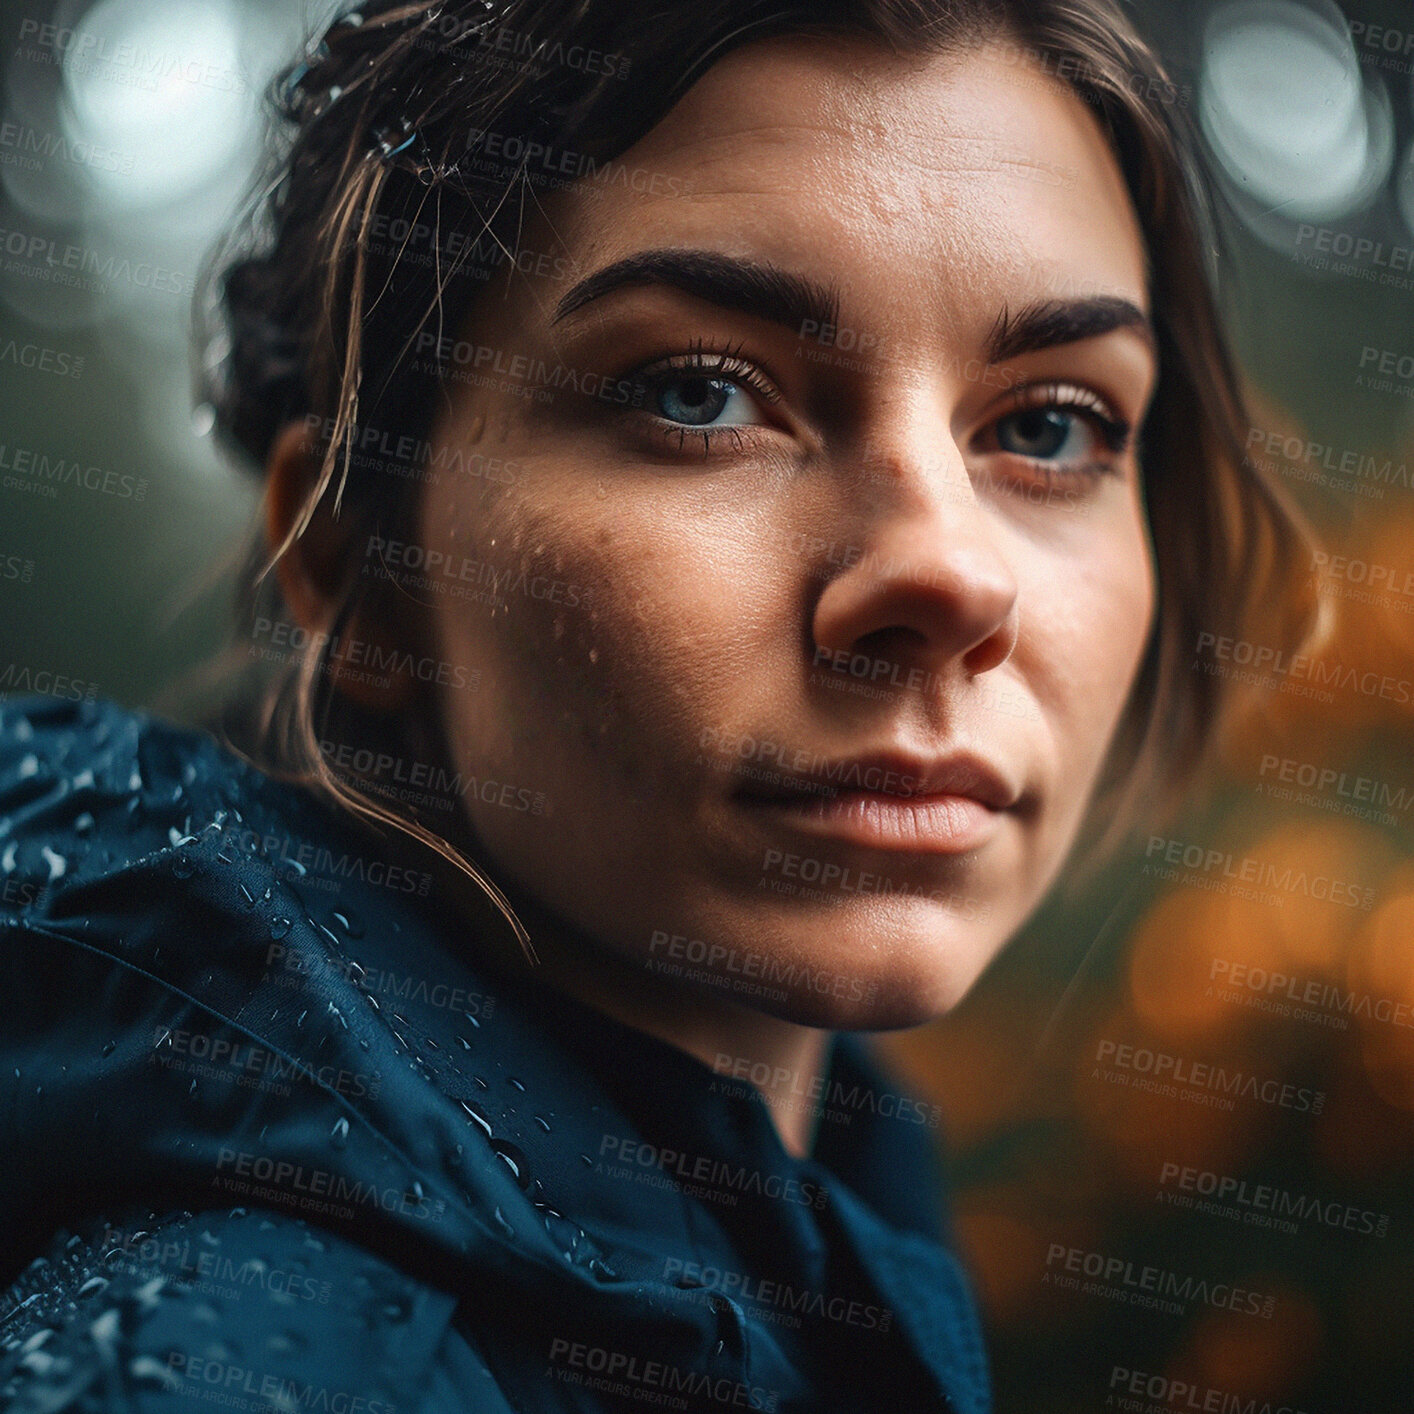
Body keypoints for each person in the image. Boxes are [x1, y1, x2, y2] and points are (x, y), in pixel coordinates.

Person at [0, 1, 1314, 1409]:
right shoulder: (238, 1364)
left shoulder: (847, 1214)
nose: (947, 572)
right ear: (356, 567)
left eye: (1049, 424)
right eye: (698, 393)